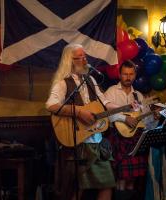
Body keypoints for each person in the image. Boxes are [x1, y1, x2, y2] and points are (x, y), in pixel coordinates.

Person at [46, 43, 122, 200]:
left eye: (84, 56)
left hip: (97, 141)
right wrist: (78, 111)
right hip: (78, 142)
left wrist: (124, 107)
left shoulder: (91, 80)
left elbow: (105, 103)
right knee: (77, 188)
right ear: (70, 61)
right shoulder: (63, 83)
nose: (84, 60)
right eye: (79, 58)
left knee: (107, 184)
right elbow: (51, 105)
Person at [104, 60, 153, 200]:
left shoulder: (138, 95)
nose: (128, 77)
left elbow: (144, 122)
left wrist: (153, 116)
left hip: (134, 139)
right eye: (125, 74)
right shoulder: (111, 91)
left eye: (131, 74)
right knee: (120, 179)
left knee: (132, 179)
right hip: (117, 138)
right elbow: (106, 113)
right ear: (119, 75)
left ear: (135, 75)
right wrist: (124, 119)